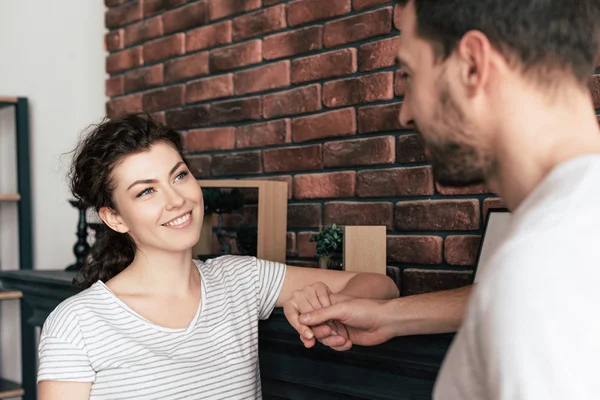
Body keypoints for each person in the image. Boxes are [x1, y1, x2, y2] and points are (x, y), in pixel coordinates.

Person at [300, 0, 600, 398]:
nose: (406, 113)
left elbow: (535, 286)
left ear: (472, 65)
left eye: (409, 74)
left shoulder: (539, 271)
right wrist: (390, 316)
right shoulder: (568, 241)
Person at [37, 113, 399, 400]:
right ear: (114, 217)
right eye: (147, 191)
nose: (176, 200)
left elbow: (379, 286)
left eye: (178, 176)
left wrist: (318, 304)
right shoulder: (77, 324)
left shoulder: (239, 281)